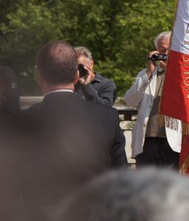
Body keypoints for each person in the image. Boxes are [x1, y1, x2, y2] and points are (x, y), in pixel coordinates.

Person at [15, 40, 128, 221]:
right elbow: (122, 180)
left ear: (39, 77)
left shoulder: (22, 122)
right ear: (77, 77)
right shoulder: (107, 117)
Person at [54, 167, 189, 221]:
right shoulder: (144, 75)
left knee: (174, 196)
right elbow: (132, 98)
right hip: (149, 143)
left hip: (174, 141)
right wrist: (146, 75)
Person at [124, 31, 181, 168]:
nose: (165, 54)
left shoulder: (182, 74)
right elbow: (130, 100)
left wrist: (171, 71)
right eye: (162, 50)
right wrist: (149, 72)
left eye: (169, 50)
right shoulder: (145, 74)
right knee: (146, 184)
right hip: (147, 140)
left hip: (172, 140)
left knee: (170, 185)